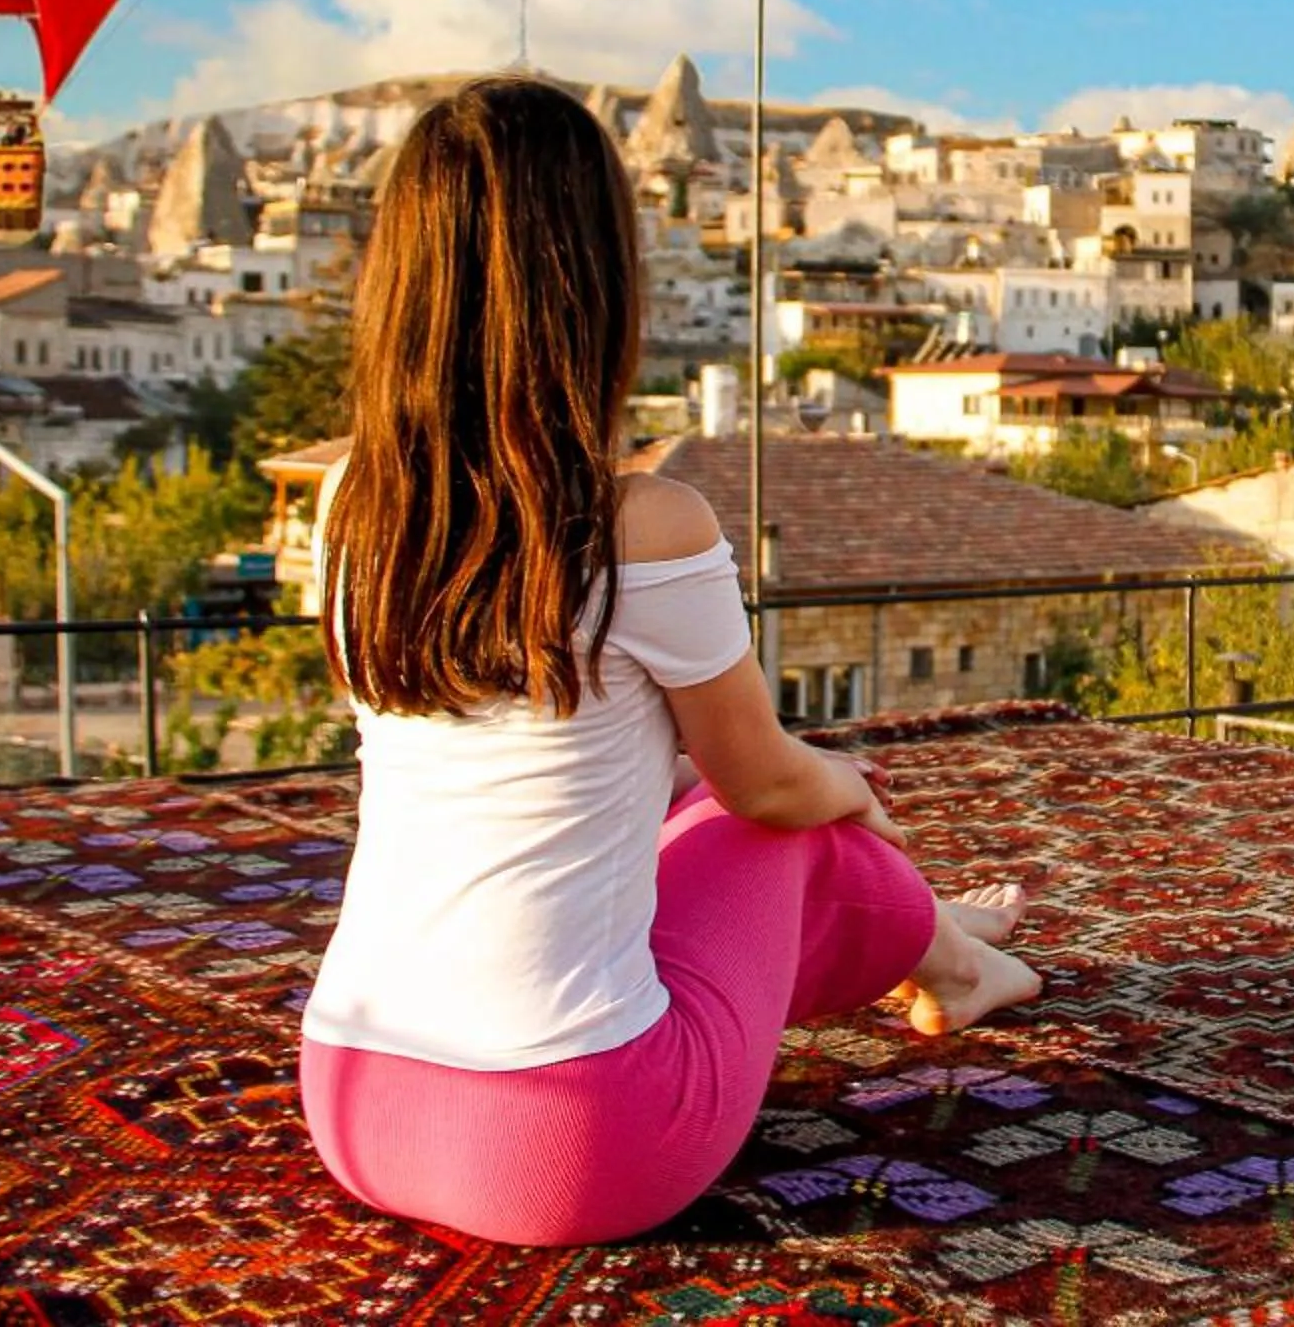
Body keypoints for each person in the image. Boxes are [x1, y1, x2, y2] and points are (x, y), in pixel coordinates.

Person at [297, 77, 1038, 1248]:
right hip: (573, 1142)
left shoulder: (349, 507)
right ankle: (950, 958)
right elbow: (764, 787)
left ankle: (943, 942)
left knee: (698, 813)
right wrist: (855, 784)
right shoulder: (644, 523)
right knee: (780, 824)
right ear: (592, 278)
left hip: (354, 1100)